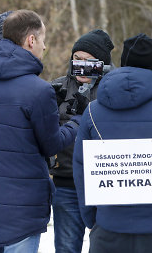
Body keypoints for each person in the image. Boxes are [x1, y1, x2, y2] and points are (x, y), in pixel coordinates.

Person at [73, 33, 152, 253]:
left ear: (123, 62)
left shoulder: (92, 111)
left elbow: (81, 170)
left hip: (109, 230)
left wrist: (92, 220)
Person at [0, 10, 80, 252]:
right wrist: (76, 122)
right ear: (31, 40)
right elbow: (52, 144)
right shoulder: (38, 91)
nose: (45, 46)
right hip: (21, 211)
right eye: (43, 39)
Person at [49, 29, 114, 253]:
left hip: (106, 182)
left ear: (102, 64)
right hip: (66, 182)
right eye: (77, 59)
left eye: (89, 61)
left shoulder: (114, 91)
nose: (82, 66)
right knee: (67, 248)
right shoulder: (56, 89)